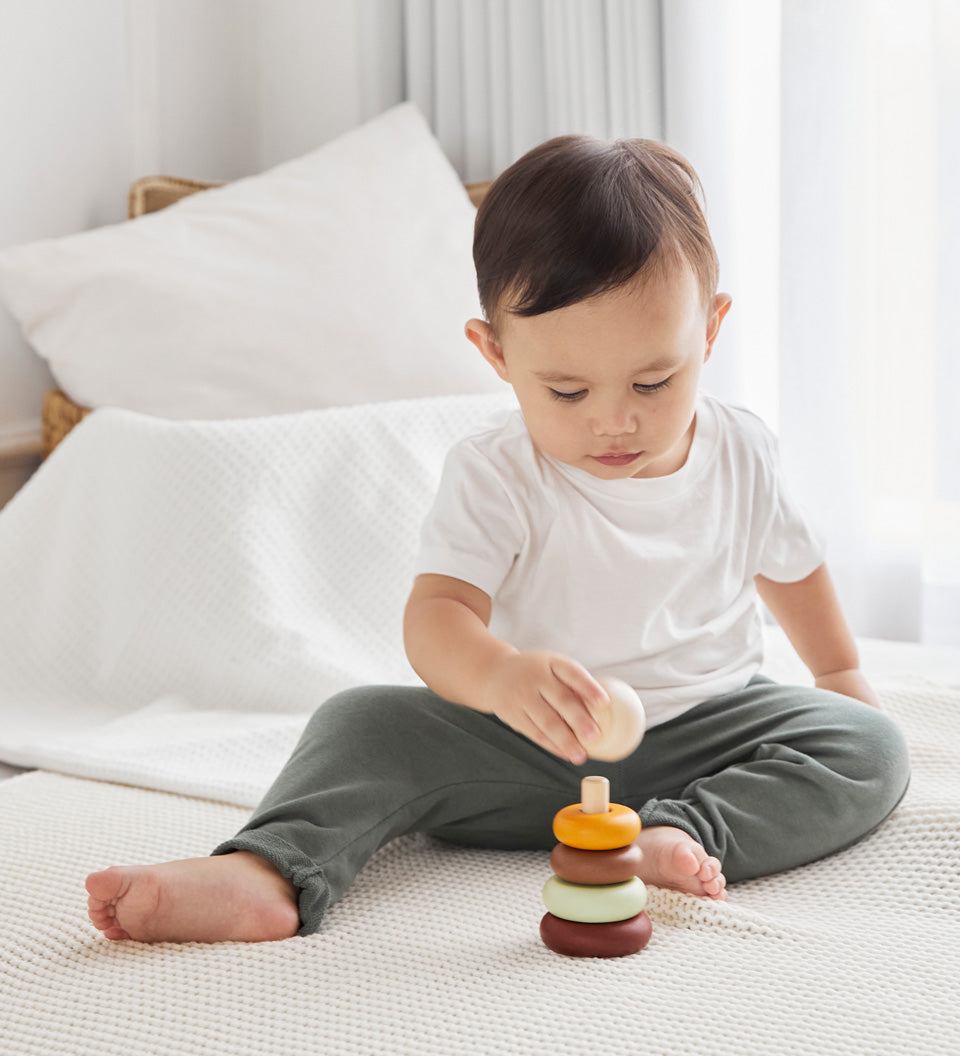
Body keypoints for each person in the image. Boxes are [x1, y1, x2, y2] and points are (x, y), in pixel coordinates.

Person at [85, 135, 910, 944]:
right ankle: (271, 870)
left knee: (869, 746)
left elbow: (794, 568)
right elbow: (436, 616)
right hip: (531, 751)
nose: (615, 419)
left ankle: (677, 835)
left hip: (710, 733)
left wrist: (838, 673)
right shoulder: (497, 472)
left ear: (710, 332)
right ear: (496, 354)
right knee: (360, 724)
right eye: (568, 389)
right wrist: (499, 676)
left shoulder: (743, 450)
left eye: (654, 382)